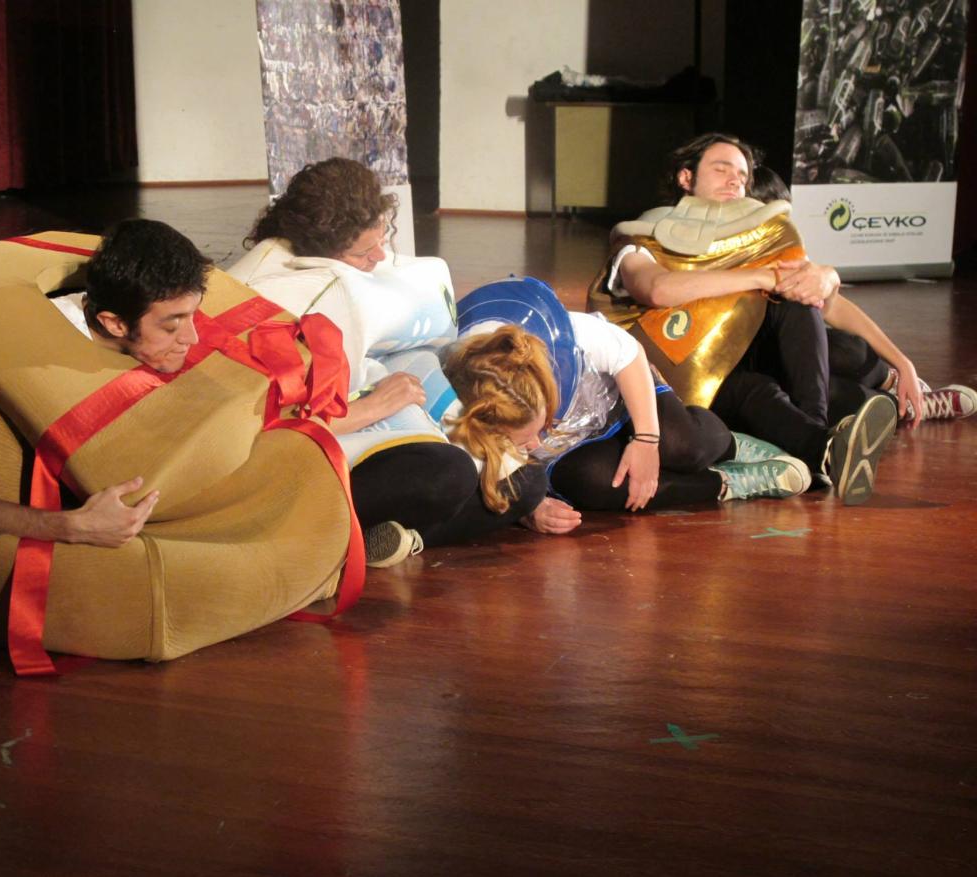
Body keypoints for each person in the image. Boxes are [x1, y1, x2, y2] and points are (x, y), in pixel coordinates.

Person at [230, 157, 558, 561]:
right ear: (323, 250)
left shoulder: (346, 281)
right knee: (450, 474)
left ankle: (387, 537)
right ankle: (372, 541)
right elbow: (261, 431)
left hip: (371, 418)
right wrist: (374, 407)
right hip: (294, 467)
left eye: (382, 238)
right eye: (363, 252)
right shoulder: (281, 301)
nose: (380, 257)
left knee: (525, 483)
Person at [597, 132, 898, 505]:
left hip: (754, 351)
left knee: (815, 321)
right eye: (721, 169)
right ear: (686, 177)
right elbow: (657, 289)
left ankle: (828, 439)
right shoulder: (639, 240)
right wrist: (762, 277)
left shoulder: (759, 238)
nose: (734, 181)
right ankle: (829, 444)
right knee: (765, 391)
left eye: (742, 176)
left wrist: (902, 361)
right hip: (687, 378)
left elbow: (826, 302)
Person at [0, 218, 210, 546]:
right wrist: (70, 526)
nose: (192, 337)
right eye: (172, 326)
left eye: (193, 316)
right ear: (115, 324)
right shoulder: (19, 360)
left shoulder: (142, 317)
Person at [446, 314, 811, 529]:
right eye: (522, 441)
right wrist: (528, 509)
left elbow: (629, 353)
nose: (536, 443)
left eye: (539, 429)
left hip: (618, 394)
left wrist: (647, 439)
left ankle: (730, 444)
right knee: (598, 484)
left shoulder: (563, 334)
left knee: (681, 445)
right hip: (571, 445)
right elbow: (487, 479)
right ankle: (731, 482)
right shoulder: (454, 413)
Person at [750, 164, 977, 425]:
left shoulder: (786, 257)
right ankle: (908, 407)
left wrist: (903, 364)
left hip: (792, 353)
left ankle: (894, 384)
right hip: (754, 370)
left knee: (847, 350)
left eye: (782, 220)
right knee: (829, 393)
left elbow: (834, 309)